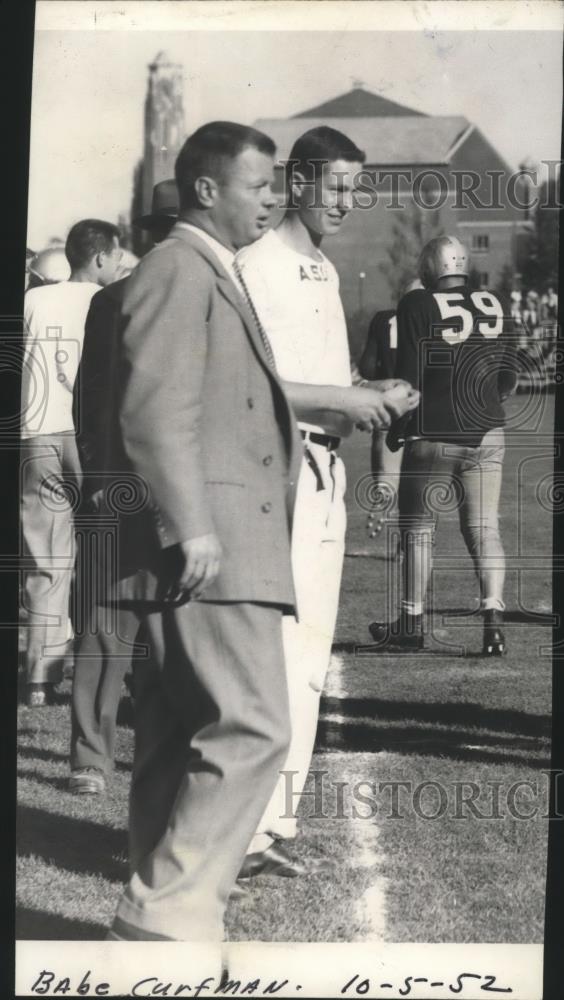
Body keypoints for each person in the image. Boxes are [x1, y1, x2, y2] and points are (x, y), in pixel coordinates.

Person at [102, 121, 304, 942]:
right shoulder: (180, 269)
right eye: (261, 186)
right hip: (212, 543)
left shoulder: (195, 269)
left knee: (178, 728)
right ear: (208, 190)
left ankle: (164, 919)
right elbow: (153, 413)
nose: (275, 200)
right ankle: (166, 918)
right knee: (254, 727)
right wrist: (192, 527)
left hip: (209, 538)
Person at [236, 126, 419, 879]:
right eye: (337, 186)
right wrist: (346, 397)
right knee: (269, 655)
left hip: (325, 475)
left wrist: (373, 394)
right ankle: (237, 831)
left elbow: (329, 378)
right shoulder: (254, 265)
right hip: (272, 478)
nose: (348, 202)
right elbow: (252, 384)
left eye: (355, 188)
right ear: (299, 182)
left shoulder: (319, 267)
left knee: (309, 653)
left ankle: (272, 825)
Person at [68, 180, 180, 795]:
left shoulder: (109, 300)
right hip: (177, 486)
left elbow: (88, 403)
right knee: (172, 627)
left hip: (116, 482)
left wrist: (98, 476)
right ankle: (161, 756)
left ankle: (91, 760)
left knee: (106, 624)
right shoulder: (203, 291)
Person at [369, 235, 517, 656]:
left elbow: (409, 374)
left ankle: (411, 624)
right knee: (485, 529)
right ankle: (493, 624)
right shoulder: (495, 302)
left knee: (417, 532)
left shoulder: (417, 304)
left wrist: (398, 426)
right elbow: (508, 376)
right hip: (489, 431)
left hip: (433, 432)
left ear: (430, 267)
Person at [20, 220, 122, 706]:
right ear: (100, 257)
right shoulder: (109, 302)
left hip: (35, 432)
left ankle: (40, 678)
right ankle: (105, 670)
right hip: (87, 437)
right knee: (105, 555)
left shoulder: (33, 300)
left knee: (47, 561)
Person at [359, 279, 422, 547]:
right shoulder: (435, 319)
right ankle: (407, 544)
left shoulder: (384, 320)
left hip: (389, 405)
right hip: (422, 408)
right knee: (419, 486)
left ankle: (384, 495)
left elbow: (368, 368)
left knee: (388, 475)